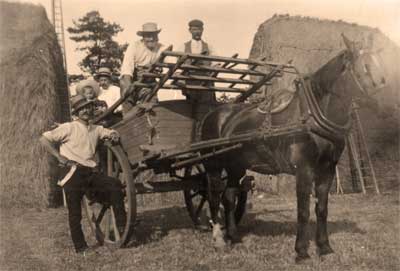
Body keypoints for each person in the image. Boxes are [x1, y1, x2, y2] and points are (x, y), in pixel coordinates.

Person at [39, 94, 127, 254]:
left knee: (114, 185)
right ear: (76, 113)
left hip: (89, 172)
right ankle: (81, 247)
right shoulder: (68, 127)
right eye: (81, 109)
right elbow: (44, 139)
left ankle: (122, 226)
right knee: (75, 213)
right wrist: (60, 157)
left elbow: (111, 133)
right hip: (72, 173)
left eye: (88, 108)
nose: (86, 111)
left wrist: (114, 134)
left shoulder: (96, 129)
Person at [120, 22, 169, 111]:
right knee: (128, 99)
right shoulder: (134, 46)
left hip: (150, 80)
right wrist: (128, 88)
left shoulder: (161, 48)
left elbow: (171, 60)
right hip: (134, 78)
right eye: (148, 36)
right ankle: (127, 117)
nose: (151, 39)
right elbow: (127, 68)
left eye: (153, 36)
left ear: (157, 36)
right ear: (143, 37)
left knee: (152, 104)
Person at [177, 19, 217, 103]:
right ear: (190, 31)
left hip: (205, 80)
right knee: (191, 105)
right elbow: (178, 63)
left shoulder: (209, 46)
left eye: (199, 29)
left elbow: (216, 62)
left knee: (206, 105)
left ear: (202, 30)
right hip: (190, 80)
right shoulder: (183, 46)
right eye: (194, 29)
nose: (197, 32)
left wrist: (214, 70)